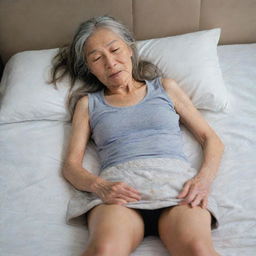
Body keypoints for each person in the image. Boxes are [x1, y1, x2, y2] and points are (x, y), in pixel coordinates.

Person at [50, 15, 224, 256]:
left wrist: (203, 180)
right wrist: (100, 186)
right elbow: (71, 166)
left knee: (199, 250)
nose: (111, 63)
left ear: (130, 49)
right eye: (97, 58)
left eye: (115, 50)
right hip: (119, 195)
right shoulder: (88, 104)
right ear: (88, 67)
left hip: (177, 189)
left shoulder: (165, 87)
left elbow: (210, 139)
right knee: (103, 251)